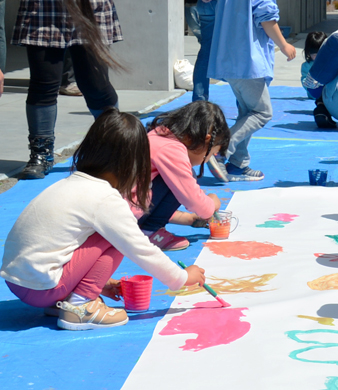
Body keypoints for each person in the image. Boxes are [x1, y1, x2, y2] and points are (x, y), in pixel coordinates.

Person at [0, 109, 207, 331]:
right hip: (43, 288)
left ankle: (72, 298)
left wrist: (97, 283)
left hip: (19, 283)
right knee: (119, 236)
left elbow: (59, 245)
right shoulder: (105, 198)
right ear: (134, 163)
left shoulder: (69, 184)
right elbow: (139, 247)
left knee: (109, 232)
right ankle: (80, 308)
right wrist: (182, 277)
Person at [12, 0, 122, 180]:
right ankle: (41, 153)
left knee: (95, 85)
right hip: (45, 8)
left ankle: (112, 146)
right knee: (43, 83)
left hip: (89, 7)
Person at [206, 0, 296, 182]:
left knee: (247, 113)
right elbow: (267, 19)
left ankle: (238, 164)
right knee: (262, 113)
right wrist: (284, 44)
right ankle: (220, 149)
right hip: (249, 61)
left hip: (230, 59)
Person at [134, 101, 230, 251]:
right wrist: (212, 204)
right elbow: (193, 200)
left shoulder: (160, 135)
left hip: (115, 213)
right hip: (120, 220)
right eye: (210, 154)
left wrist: (187, 219)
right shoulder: (172, 150)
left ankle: (147, 229)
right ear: (206, 139)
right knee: (185, 177)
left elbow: (142, 198)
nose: (207, 158)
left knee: (175, 180)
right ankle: (149, 232)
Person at [191, 0, 217, 102]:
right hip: (222, 5)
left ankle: (199, 102)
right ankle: (245, 105)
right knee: (236, 52)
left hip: (205, 5)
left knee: (205, 53)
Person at [301, 31, 327, 99]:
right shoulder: (307, 66)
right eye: (315, 55)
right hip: (314, 93)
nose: (318, 57)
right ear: (309, 53)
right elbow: (304, 81)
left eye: (321, 54)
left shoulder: (330, 63)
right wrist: (312, 84)